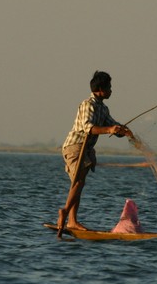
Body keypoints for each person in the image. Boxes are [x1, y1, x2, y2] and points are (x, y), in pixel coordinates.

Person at [57, 71, 133, 237]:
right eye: (109, 87)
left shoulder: (103, 108)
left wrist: (125, 131)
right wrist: (109, 130)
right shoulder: (88, 105)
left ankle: (71, 220)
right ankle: (65, 212)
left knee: (77, 184)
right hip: (75, 146)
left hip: (86, 149)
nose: (112, 90)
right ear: (100, 89)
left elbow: (112, 125)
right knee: (78, 182)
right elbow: (88, 127)